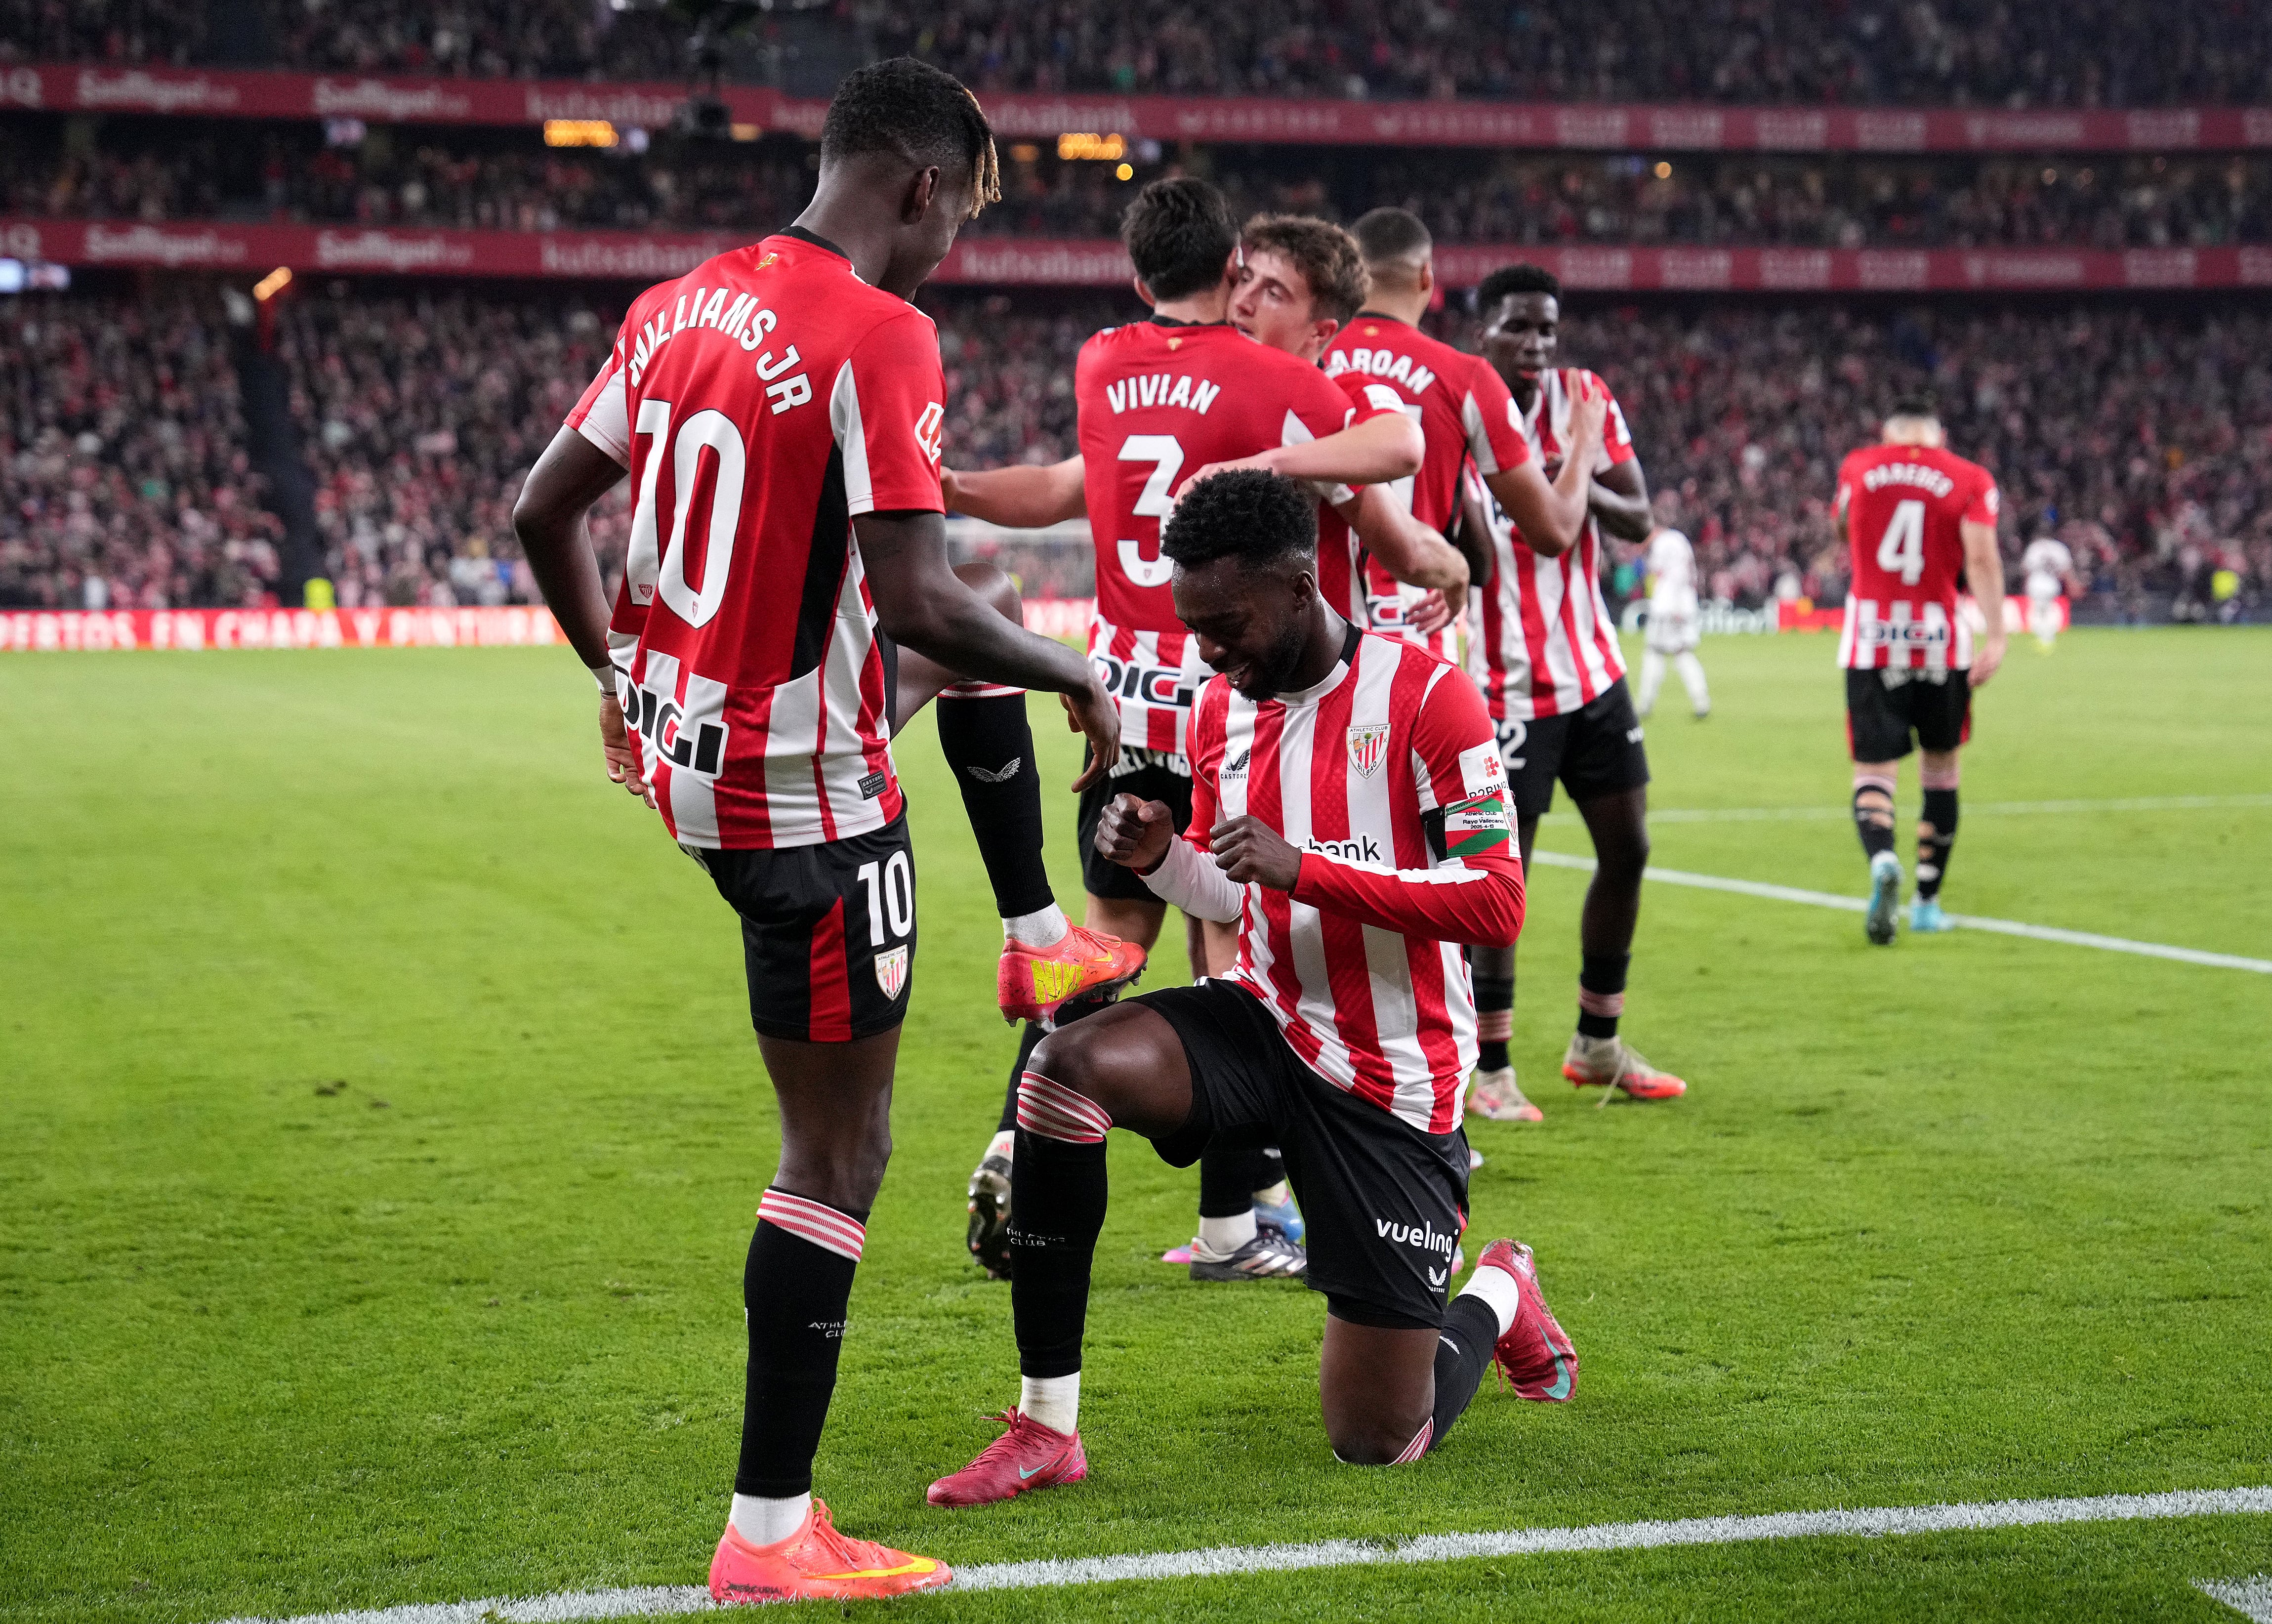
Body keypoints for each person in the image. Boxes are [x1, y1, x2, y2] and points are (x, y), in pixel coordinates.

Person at [510, 59, 1133, 1605]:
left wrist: (617, 671)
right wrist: (1081, 673)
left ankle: (1039, 930)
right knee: (841, 1149)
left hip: (691, 760)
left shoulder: (675, 305)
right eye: (961, 218)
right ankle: (773, 1530)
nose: (949, 254)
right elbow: (924, 592)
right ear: (921, 185)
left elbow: (541, 512)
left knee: (929, 665)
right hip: (810, 808)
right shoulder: (882, 329)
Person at [925, 470, 1582, 1505]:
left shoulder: (1425, 691)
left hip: (1390, 1074)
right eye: (1191, 625)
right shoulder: (1215, 709)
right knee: (1062, 1069)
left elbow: (1497, 899)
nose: (1205, 650)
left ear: (1296, 586)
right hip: (1265, 1018)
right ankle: (1046, 1422)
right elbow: (1226, 889)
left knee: (1376, 1439)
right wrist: (1155, 858)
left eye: (1223, 623)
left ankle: (1498, 1283)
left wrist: (1303, 866)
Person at [944, 181, 1429, 1285]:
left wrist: (946, 480)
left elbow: (1074, 485)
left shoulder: (1103, 360)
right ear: (1227, 274)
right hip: (1217, 703)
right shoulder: (1282, 384)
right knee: (1237, 955)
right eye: (1249, 277)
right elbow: (1396, 448)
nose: (1258, 293)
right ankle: (1231, 1226)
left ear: (1135, 273)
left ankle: (1013, 1152)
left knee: (1102, 945)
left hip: (1114, 702)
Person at [1463, 264, 1686, 1121]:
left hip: (1591, 670)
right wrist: (1563, 476)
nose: (1536, 345)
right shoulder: (1456, 402)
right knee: (1498, 882)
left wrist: (1575, 465)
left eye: (1548, 330)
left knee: (1627, 847)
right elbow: (1520, 528)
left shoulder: (1585, 395)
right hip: (1499, 684)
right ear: (1481, 329)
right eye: (1519, 327)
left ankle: (1595, 1043)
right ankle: (1489, 1070)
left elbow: (1637, 519)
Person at [1834, 397, 2006, 942]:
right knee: (1941, 770)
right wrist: (1997, 635)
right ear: (1938, 433)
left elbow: (1844, 527)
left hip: (1871, 638)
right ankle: (1928, 902)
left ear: (1890, 432)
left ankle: (1883, 859)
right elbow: (1981, 558)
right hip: (1941, 640)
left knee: (1875, 771)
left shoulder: (1859, 466)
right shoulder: (1970, 477)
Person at [1635, 508, 1710, 720]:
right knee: (1683, 653)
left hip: (1667, 606)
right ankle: (1702, 703)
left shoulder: (1661, 544)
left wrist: (1673, 605)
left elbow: (1663, 574)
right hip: (1685, 604)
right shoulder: (1681, 540)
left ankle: (1644, 706)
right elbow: (1688, 574)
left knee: (1654, 652)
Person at [2021, 534, 2076, 651]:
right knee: (2048, 611)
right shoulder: (2060, 548)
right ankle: (2047, 637)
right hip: (2052, 584)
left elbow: (2026, 568)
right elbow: (2066, 570)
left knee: (2037, 612)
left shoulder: (2035, 547)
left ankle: (2044, 638)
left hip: (2036, 583)